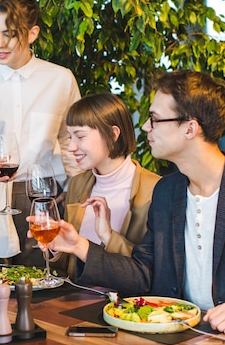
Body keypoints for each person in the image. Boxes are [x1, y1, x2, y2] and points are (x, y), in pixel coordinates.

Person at [36, 70, 225, 335]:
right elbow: (144, 275)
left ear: (190, 128)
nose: (146, 127)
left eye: (155, 119)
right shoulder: (167, 192)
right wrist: (79, 247)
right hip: (186, 339)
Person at [0, 0, 81, 266]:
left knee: (46, 283)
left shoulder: (60, 80)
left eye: (9, 34)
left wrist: (76, 195)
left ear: (32, 33)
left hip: (43, 196)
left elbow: (72, 144)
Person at [49, 92, 160, 277]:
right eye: (70, 137)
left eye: (80, 136)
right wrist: (55, 246)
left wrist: (108, 236)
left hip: (126, 303)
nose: (71, 147)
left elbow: (148, 272)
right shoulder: (78, 184)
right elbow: (69, 265)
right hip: (75, 298)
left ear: (113, 133)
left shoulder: (155, 190)